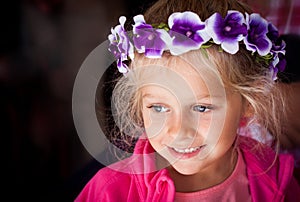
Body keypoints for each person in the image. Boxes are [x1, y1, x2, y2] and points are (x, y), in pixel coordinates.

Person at [75, 0, 300, 201]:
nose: (179, 131)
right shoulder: (111, 193)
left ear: (248, 104)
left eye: (201, 108)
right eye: (159, 108)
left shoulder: (276, 180)